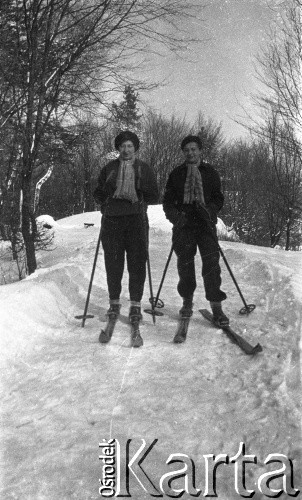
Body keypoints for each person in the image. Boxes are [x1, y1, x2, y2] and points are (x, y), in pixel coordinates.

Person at [94, 130, 159, 347]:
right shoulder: (109, 168)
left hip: (136, 220)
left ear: (135, 148)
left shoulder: (143, 168)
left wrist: (140, 191)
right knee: (113, 264)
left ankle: (135, 304)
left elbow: (154, 195)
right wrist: (105, 204)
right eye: (123, 146)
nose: (126, 149)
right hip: (112, 220)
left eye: (130, 146)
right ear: (118, 148)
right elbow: (98, 192)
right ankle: (114, 303)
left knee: (137, 264)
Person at [162, 134, 228, 343]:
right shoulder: (176, 174)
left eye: (194, 149)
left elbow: (218, 198)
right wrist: (176, 218)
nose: (190, 153)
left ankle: (216, 307)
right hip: (184, 226)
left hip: (205, 225)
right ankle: (187, 302)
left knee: (211, 263)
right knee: (185, 264)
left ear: (200, 151)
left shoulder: (210, 173)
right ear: (184, 153)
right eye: (187, 150)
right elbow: (168, 202)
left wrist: (210, 211)